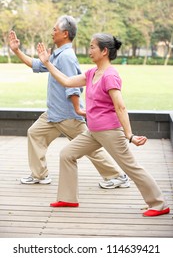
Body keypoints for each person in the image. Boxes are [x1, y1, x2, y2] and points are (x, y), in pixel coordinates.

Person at [36, 33, 170, 217]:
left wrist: (129, 135)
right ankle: (68, 198)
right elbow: (67, 81)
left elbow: (120, 106)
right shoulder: (92, 73)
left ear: (104, 51)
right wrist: (48, 63)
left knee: (131, 167)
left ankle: (159, 204)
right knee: (67, 154)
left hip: (110, 132)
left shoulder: (110, 75)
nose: (89, 50)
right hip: (93, 131)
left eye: (92, 47)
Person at [8, 15, 129, 188]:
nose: (52, 32)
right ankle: (39, 175)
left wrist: (77, 109)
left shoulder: (66, 57)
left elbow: (72, 85)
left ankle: (118, 176)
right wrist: (16, 50)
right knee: (35, 133)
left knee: (91, 147)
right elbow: (36, 64)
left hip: (68, 115)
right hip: (53, 114)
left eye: (55, 29)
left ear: (65, 34)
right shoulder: (57, 55)